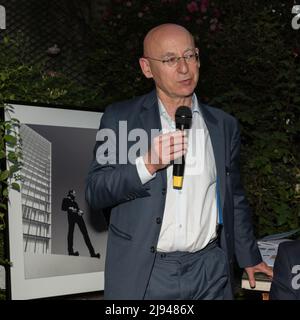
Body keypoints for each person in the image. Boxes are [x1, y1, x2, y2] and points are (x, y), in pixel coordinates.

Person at [86, 23, 272, 299]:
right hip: (147, 272)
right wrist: (147, 164)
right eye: (170, 59)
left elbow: (234, 197)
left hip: (210, 269)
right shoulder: (121, 119)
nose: (184, 68)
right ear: (147, 68)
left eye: (190, 55)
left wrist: (249, 257)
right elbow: (96, 191)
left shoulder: (223, 125)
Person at [61, 189, 100, 258]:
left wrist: (80, 211)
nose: (75, 194)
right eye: (74, 193)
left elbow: (78, 210)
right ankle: (70, 252)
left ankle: (92, 253)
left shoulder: (75, 203)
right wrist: (70, 208)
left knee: (85, 234)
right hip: (71, 218)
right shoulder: (65, 200)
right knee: (70, 233)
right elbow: (63, 208)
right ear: (70, 193)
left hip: (79, 218)